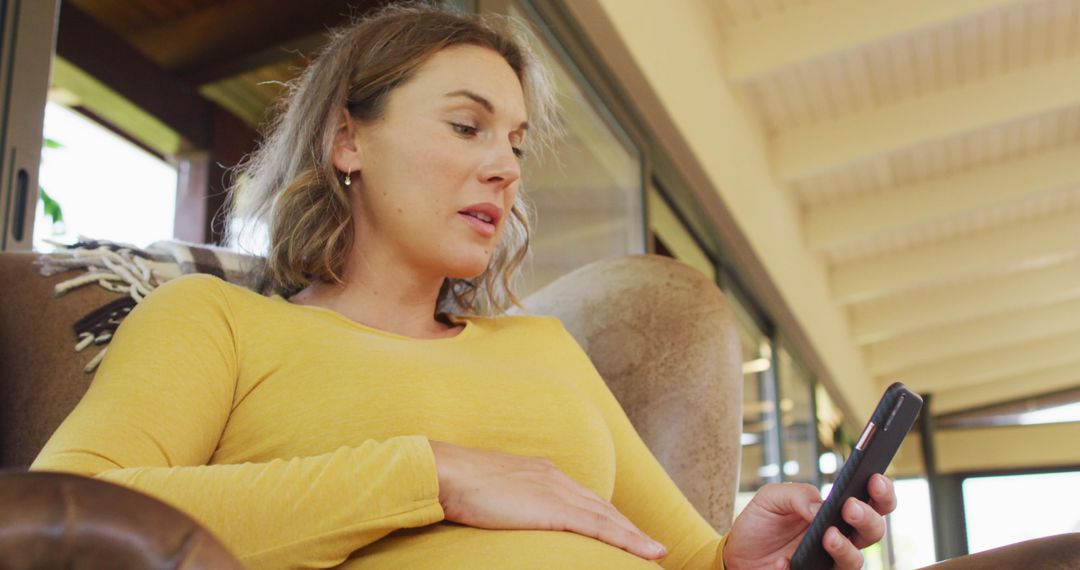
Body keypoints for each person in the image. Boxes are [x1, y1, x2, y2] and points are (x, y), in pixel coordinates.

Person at [31, 3, 897, 569]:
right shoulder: (214, 321)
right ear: (347, 141)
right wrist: (430, 475)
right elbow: (66, 524)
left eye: (515, 144)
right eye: (466, 126)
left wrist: (742, 557)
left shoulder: (542, 349)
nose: (504, 168)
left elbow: (681, 556)